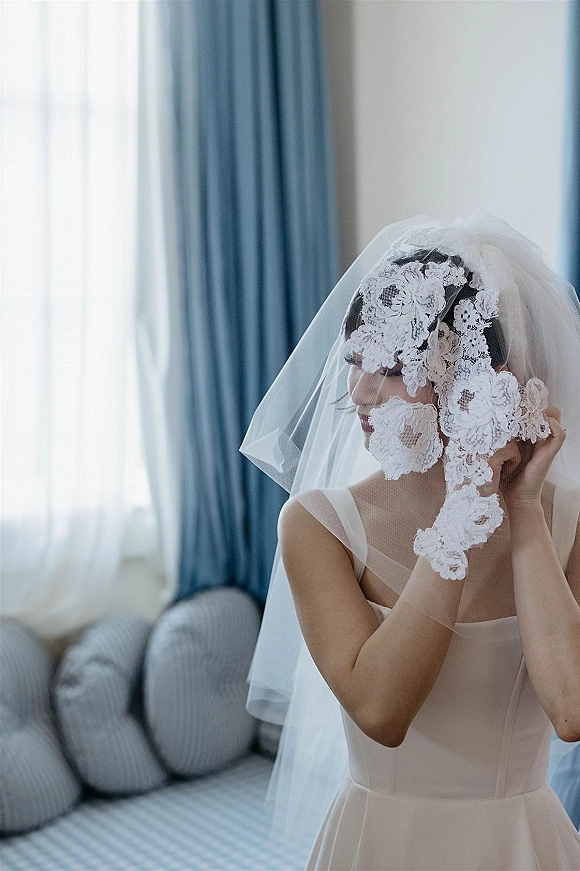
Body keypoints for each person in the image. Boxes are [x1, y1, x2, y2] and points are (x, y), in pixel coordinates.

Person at [241, 214, 580, 870]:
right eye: (355, 361)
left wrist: (524, 509)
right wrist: (466, 506)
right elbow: (381, 709)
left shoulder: (565, 520)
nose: (363, 391)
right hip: (382, 844)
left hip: (523, 847)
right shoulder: (318, 525)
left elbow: (570, 708)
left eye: (393, 365)